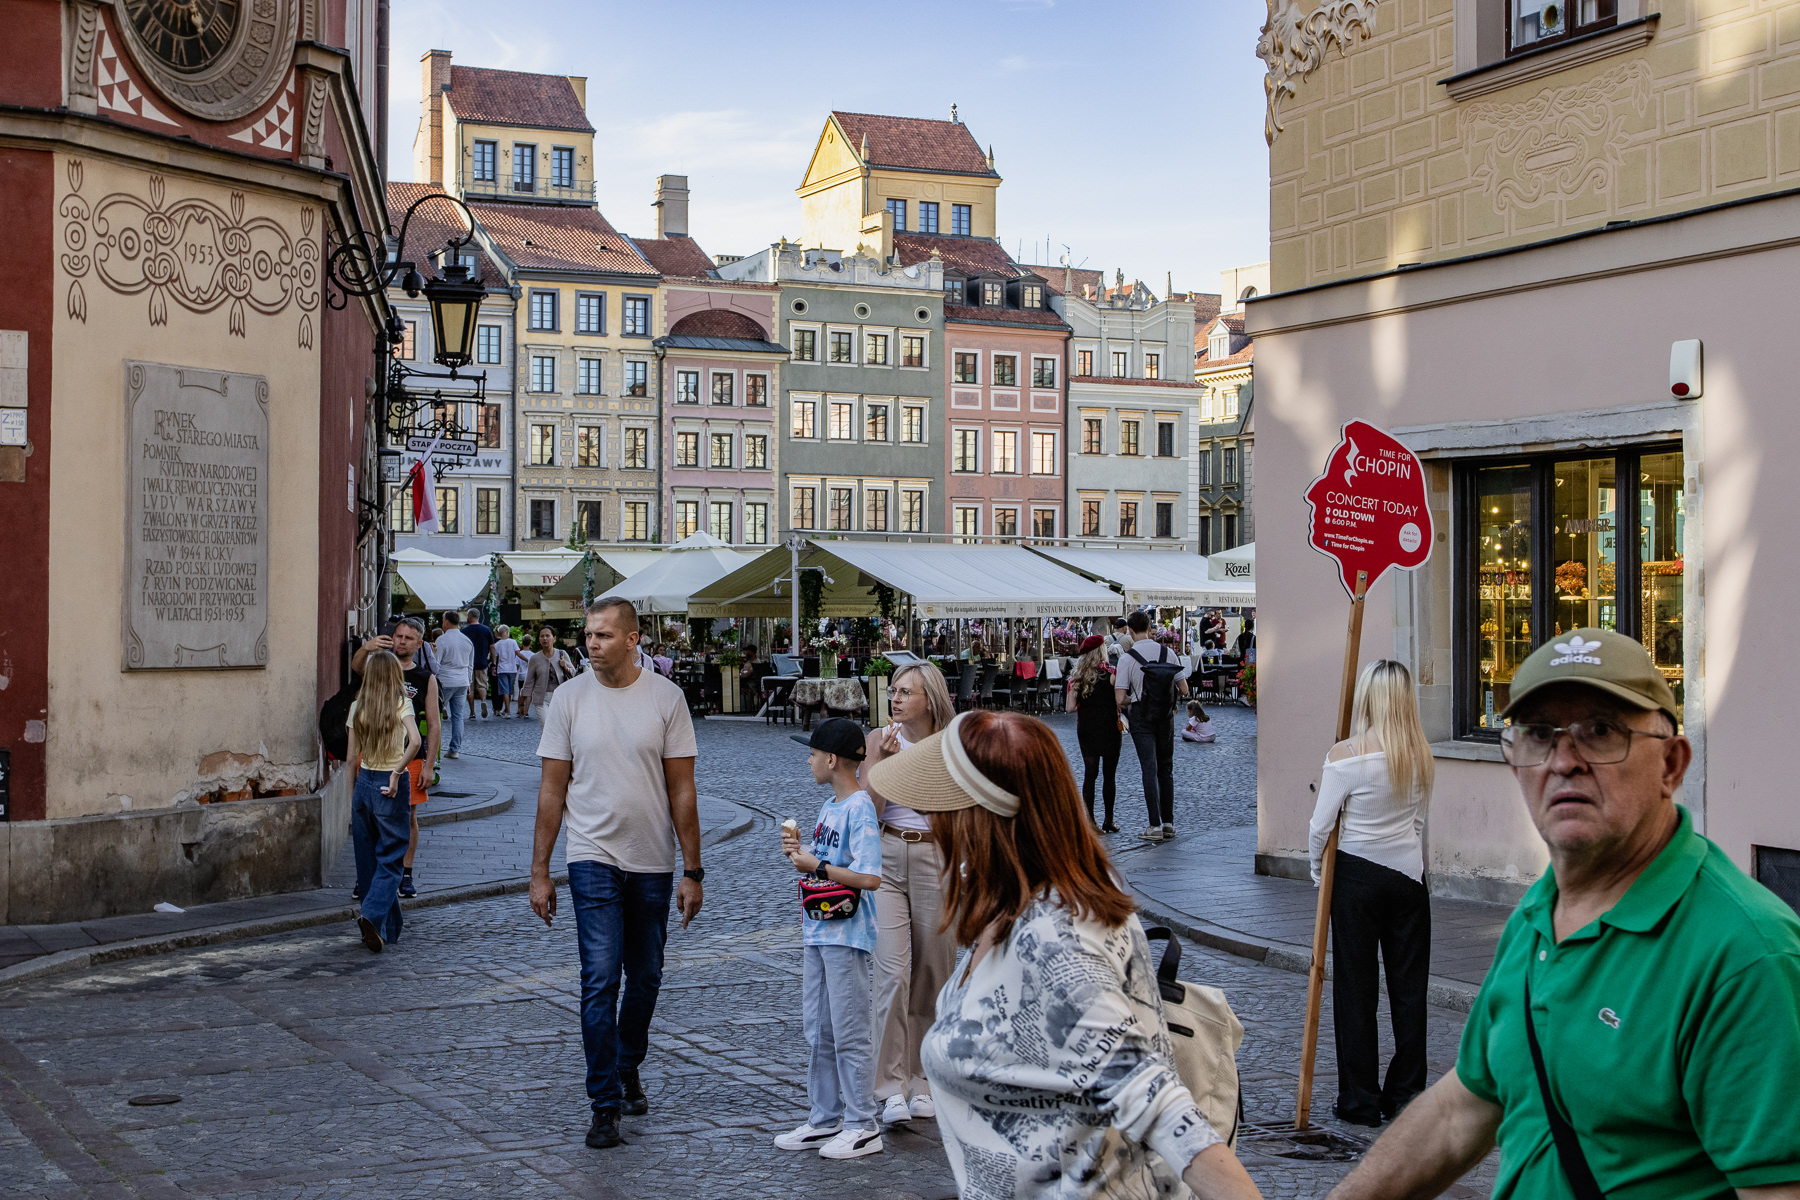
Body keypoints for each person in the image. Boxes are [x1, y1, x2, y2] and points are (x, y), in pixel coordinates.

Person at [1326, 628, 1800, 1200]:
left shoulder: (1745, 955)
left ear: (1671, 765)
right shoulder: (1536, 915)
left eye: (1600, 732)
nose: (1564, 761)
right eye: (1539, 735)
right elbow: (1462, 1111)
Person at [867, 710, 1263, 1200]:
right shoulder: (1024, 903)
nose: (930, 821)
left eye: (937, 807)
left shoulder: (1055, 940)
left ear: (974, 819)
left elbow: (1162, 1110)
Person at [528, 597, 704, 1152]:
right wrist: (540, 872)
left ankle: (628, 1063)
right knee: (600, 978)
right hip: (591, 855)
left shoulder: (667, 698)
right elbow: (552, 792)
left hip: (653, 859)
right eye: (588, 634)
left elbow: (682, 789)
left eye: (603, 635)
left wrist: (693, 869)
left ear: (632, 640)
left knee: (646, 976)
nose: (591, 643)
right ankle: (604, 1104)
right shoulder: (568, 699)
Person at [1308, 660, 1434, 1128]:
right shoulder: (1419, 754)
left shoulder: (1345, 755)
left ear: (1367, 698)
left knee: (1357, 992)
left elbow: (1320, 828)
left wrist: (1319, 876)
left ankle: (1360, 1099)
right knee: (1409, 991)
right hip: (1407, 878)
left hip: (1356, 878)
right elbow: (1419, 823)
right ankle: (1406, 1095)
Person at [775, 718, 886, 1160]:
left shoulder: (859, 808)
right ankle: (824, 1118)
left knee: (849, 1028)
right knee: (819, 1027)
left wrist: (815, 867)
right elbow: (825, 863)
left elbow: (870, 877)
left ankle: (862, 1123)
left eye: (814, 753)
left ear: (833, 759)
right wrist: (804, 854)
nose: (809, 760)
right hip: (819, 929)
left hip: (848, 933)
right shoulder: (828, 808)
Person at [860, 663, 957, 1127]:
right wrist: (884, 764)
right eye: (893, 691)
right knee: (893, 973)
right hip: (887, 852)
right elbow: (865, 812)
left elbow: (960, 811)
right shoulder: (880, 739)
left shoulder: (954, 743)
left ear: (930, 698)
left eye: (906, 692)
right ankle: (890, 1087)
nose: (895, 699)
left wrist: (912, 770)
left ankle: (924, 1080)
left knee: (933, 974)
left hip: (938, 858)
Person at [351, 617, 439, 898]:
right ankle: (373, 875)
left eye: (408, 638)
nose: (401, 641)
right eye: (398, 636)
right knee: (373, 819)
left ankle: (405, 873)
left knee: (408, 815)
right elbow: (356, 667)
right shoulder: (377, 666)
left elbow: (434, 724)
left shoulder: (426, 678)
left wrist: (429, 765)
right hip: (374, 757)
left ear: (419, 643)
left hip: (410, 758)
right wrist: (367, 647)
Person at [344, 649, 421, 953]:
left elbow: (351, 758)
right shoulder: (402, 703)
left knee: (367, 861)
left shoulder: (356, 706)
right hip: (390, 782)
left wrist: (353, 796)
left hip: (364, 781)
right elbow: (415, 741)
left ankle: (385, 927)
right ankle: (372, 917)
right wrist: (398, 771)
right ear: (393, 675)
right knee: (391, 858)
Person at [1115, 610, 1190, 843]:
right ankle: (1168, 823)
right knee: (1166, 768)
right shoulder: (1168, 653)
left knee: (1149, 767)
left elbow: (1120, 698)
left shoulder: (1127, 659)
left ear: (1129, 630)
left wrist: (1135, 698)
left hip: (1141, 715)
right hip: (1166, 716)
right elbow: (1185, 690)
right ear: (1149, 627)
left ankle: (1154, 824)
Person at [1066, 634, 1122, 832]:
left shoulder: (1077, 678)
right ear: (1101, 652)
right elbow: (1120, 700)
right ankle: (1109, 819)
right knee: (1109, 774)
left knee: (1090, 774)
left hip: (1087, 729)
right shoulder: (1113, 674)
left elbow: (1070, 708)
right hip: (1109, 728)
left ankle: (1090, 820)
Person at [434, 611, 474, 760]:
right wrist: (469, 682)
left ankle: (433, 748)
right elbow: (470, 665)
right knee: (458, 717)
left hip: (445, 680)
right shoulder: (467, 641)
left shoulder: (442, 640)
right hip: (462, 681)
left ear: (446, 622)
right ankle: (454, 749)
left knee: (435, 715)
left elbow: (436, 664)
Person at [522, 625, 575, 721]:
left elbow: (573, 673)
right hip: (541, 699)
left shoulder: (561, 654)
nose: (545, 638)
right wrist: (524, 704)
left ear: (554, 638)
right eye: (542, 636)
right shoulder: (535, 658)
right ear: (539, 639)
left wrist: (565, 667)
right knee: (546, 726)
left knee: (559, 728)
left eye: (547, 636)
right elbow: (529, 681)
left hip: (560, 698)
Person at [464, 608, 494, 720]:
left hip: (468, 663)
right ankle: (483, 701)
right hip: (482, 661)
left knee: (470, 687)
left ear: (470, 617)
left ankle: (472, 712)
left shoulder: (464, 631)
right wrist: (493, 662)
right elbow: (492, 647)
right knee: (482, 684)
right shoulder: (486, 630)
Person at [492, 624, 521, 718]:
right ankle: (507, 710)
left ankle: (507, 710)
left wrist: (494, 667)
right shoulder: (513, 642)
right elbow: (518, 653)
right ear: (507, 632)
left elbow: (495, 657)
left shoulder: (497, 644)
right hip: (512, 669)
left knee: (504, 690)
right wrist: (528, 660)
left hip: (502, 669)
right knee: (509, 690)